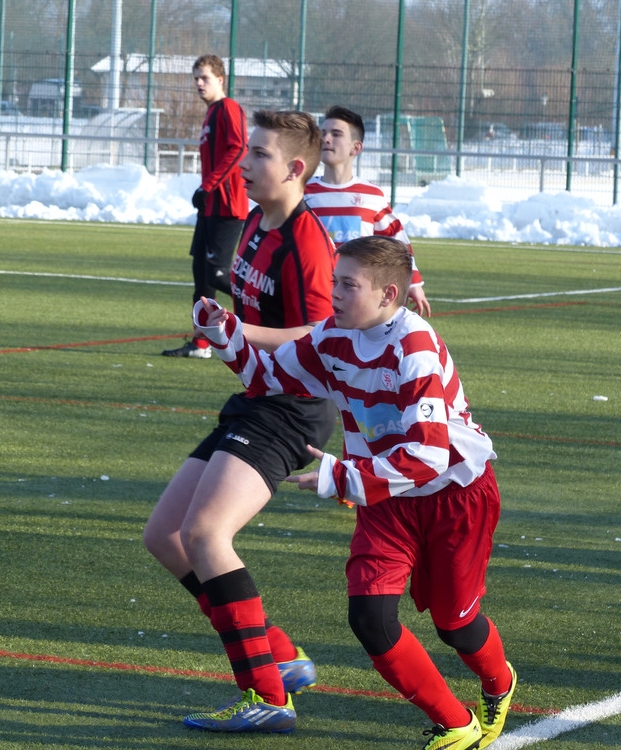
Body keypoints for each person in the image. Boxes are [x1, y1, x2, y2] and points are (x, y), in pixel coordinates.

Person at [193, 235, 517, 750]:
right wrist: (223, 332)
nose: (335, 294)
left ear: (388, 294)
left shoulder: (414, 346)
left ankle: (499, 684)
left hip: (454, 497)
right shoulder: (332, 335)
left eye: (348, 285)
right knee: (369, 618)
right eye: (334, 282)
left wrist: (343, 478)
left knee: (455, 625)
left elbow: (430, 455)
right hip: (385, 501)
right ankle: (456, 724)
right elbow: (267, 378)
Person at [143, 110, 338, 734]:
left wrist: (240, 330)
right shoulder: (256, 220)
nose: (246, 164)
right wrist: (221, 322)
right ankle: (280, 656)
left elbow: (321, 336)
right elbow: (254, 319)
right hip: (258, 397)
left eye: (259, 155)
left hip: (294, 407)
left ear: (295, 168)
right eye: (247, 151)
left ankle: (266, 696)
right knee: (165, 536)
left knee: (206, 534)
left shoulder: (309, 243)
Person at [305, 104, 431, 317]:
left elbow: (397, 240)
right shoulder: (303, 191)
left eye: (336, 134)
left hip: (357, 295)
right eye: (323, 133)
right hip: (314, 291)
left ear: (356, 148)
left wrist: (413, 282)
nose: (326, 139)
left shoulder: (371, 195)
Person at [162, 54, 249, 359]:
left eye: (205, 78)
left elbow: (238, 148)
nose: (199, 83)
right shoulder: (211, 112)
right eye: (196, 78)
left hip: (227, 206)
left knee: (216, 274)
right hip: (210, 207)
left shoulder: (228, 108)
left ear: (220, 80)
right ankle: (201, 344)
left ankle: (263, 308)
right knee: (201, 274)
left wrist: (208, 185)